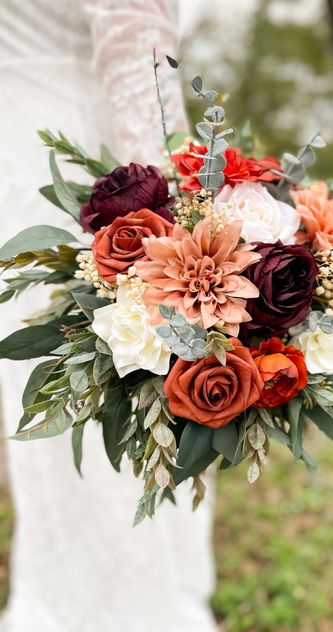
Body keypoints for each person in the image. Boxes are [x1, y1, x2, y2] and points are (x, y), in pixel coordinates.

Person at [0, 1, 218, 630]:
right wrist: (188, 213)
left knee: (66, 389)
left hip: (18, 169)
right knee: (116, 380)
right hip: (94, 176)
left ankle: (79, 596)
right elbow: (136, 47)